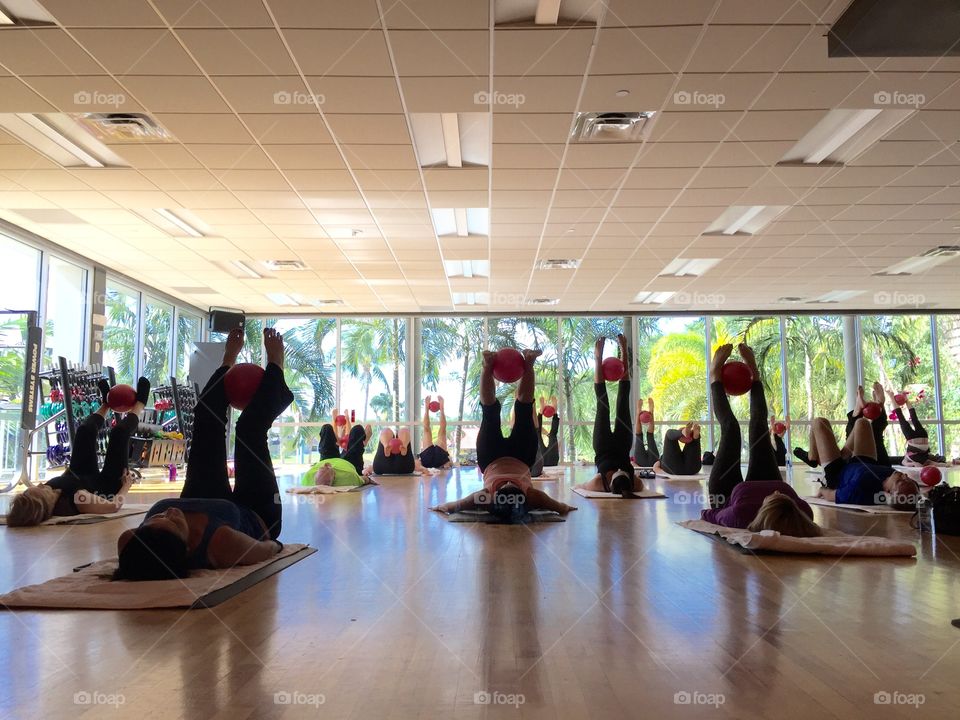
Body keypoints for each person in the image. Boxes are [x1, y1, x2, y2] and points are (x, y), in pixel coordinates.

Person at [114, 327, 292, 580]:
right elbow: (268, 549)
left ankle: (227, 362)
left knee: (205, 416)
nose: (171, 513)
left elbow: (129, 549)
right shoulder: (221, 544)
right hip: (255, 512)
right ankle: (277, 371)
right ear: (187, 547)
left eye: (159, 517)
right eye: (174, 523)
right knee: (248, 430)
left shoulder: (132, 541)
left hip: (202, 496)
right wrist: (276, 546)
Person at [430, 348, 576, 520]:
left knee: (490, 411)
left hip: (491, 458)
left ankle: (487, 366)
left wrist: (449, 506)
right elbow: (552, 504)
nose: (507, 481)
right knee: (524, 408)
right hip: (522, 457)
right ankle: (529, 364)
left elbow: (463, 503)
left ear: (494, 495)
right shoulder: (530, 496)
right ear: (523, 494)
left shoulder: (487, 496)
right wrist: (563, 507)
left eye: (504, 486)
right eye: (511, 485)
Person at [6, 378, 150, 527]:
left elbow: (64, 482)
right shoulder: (78, 499)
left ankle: (106, 404)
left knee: (84, 431)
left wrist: (72, 466)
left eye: (37, 487)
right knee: (118, 433)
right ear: (47, 504)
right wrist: (126, 485)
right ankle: (140, 404)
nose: (42, 485)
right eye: (41, 489)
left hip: (80, 475)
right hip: (108, 484)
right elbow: (113, 506)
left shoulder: (47, 491)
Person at [706, 343, 787, 511]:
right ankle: (754, 373)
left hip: (728, 503)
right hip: (772, 503)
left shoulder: (732, 519)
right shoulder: (793, 519)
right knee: (758, 425)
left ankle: (714, 376)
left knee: (731, 428)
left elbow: (711, 516)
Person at [807, 412, 919, 510]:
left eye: (901, 481)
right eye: (907, 478)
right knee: (862, 422)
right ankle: (837, 454)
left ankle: (812, 457)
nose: (904, 475)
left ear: (888, 492)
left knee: (819, 422)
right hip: (861, 462)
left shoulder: (860, 490)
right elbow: (914, 496)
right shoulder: (901, 482)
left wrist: (822, 490)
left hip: (837, 472)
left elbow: (832, 495)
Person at [582, 335, 642, 497]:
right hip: (623, 445)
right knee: (623, 402)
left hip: (603, 446)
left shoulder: (597, 483)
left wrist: (598, 358)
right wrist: (624, 350)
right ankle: (621, 349)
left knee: (603, 405)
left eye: (615, 472)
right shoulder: (636, 484)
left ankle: (597, 357)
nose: (619, 469)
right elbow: (624, 392)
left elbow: (581, 486)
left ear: (608, 483)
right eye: (624, 471)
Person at [887, 390, 951, 466]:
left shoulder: (924, 460)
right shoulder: (911, 458)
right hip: (914, 441)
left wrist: (914, 464)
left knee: (913, 418)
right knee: (905, 418)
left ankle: (903, 399)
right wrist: (913, 463)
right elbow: (904, 462)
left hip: (923, 437)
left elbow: (931, 463)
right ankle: (900, 398)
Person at [316, 410, 370, 475]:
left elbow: (336, 438)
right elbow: (339, 439)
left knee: (326, 428)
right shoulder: (348, 443)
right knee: (358, 429)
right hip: (351, 466)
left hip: (331, 464)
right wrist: (366, 439)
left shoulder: (344, 441)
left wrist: (337, 419)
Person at [419, 395, 453, 469]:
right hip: (432, 459)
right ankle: (427, 410)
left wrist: (441, 409)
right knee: (429, 430)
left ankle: (441, 409)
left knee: (439, 430)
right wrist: (427, 408)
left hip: (431, 460)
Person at [632, 397, 659, 468]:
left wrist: (637, 467)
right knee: (647, 436)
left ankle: (639, 413)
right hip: (652, 463)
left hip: (642, 464)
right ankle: (650, 412)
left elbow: (631, 463)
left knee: (641, 436)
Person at [537, 395, 561, 467]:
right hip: (551, 461)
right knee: (552, 435)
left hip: (542, 461)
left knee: (539, 434)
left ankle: (543, 412)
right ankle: (554, 413)